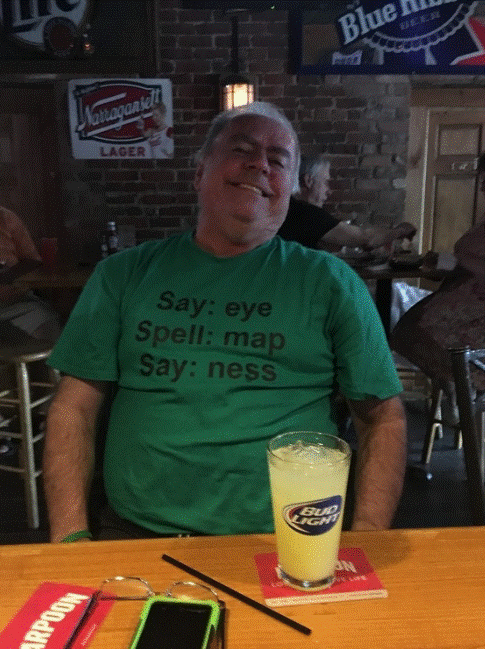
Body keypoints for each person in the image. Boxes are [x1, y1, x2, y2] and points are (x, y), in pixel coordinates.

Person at [43, 102, 406, 543]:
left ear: (290, 189)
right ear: (200, 173)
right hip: (135, 531)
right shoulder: (122, 274)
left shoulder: (332, 282)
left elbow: (383, 419)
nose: (260, 165)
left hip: (293, 537)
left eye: (278, 160)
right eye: (241, 149)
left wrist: (367, 535)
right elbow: (74, 408)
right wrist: (70, 538)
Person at [0, 165, 61, 460]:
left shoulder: (5, 218)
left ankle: (48, 415)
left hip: (14, 300)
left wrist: (6, 275)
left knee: (60, 338)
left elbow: (32, 259)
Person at [390, 153, 485, 401]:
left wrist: (457, 263)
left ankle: (468, 387)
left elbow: (472, 262)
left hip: (477, 313)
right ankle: (457, 390)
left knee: (409, 333)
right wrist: (442, 264)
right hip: (461, 298)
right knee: (405, 329)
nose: (482, 188)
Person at [279, 154, 416, 251]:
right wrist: (400, 231)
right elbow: (366, 239)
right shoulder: (307, 214)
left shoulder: (285, 207)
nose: (329, 191)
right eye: (326, 182)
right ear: (308, 181)